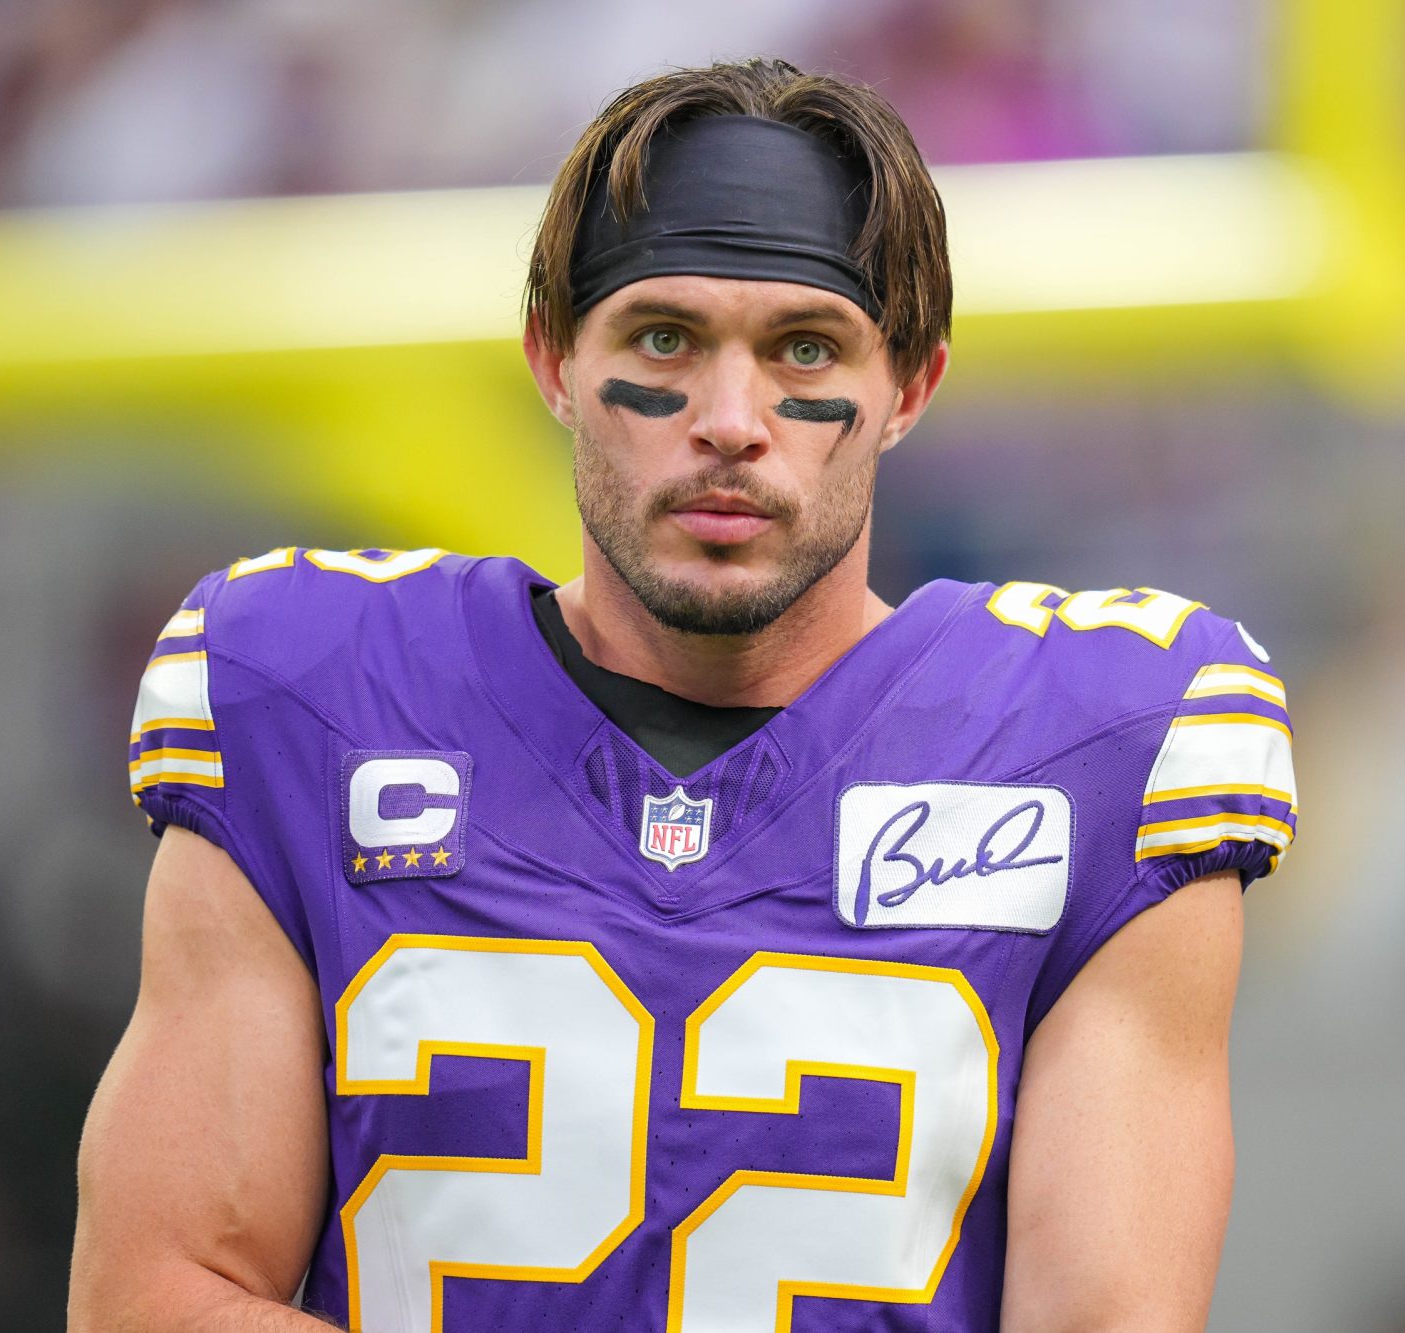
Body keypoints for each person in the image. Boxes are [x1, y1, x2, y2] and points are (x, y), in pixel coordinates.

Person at [68, 57, 1297, 1332]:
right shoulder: (310, 692)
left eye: (803, 348)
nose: (727, 419)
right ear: (551, 359)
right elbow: (158, 1294)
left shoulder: (1098, 745)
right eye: (664, 337)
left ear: (908, 389)